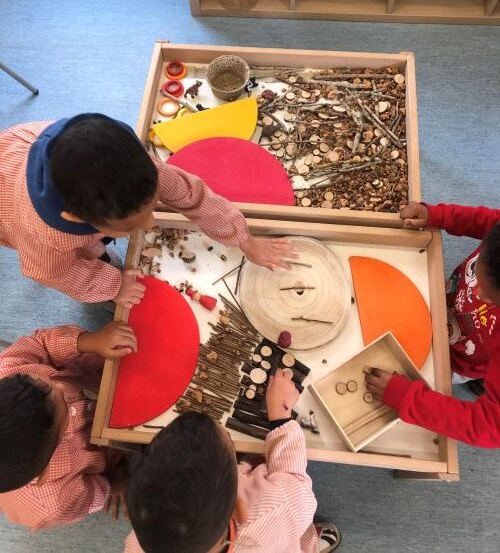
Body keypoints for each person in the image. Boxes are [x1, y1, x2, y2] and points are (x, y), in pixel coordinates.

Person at [0, 114, 295, 308]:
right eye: (130, 225)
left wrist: (243, 238)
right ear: (78, 218)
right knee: (82, 257)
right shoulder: (45, 237)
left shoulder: (138, 167)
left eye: (152, 208)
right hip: (9, 202)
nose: (151, 224)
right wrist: (114, 285)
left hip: (35, 148)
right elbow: (52, 272)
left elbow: (191, 195)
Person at [125, 370, 341, 552]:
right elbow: (296, 484)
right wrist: (281, 417)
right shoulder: (277, 507)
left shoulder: (139, 543)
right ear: (239, 509)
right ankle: (312, 544)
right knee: (296, 531)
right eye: (227, 438)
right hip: (280, 534)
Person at [365, 201, 500, 447]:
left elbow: (489, 427)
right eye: (478, 278)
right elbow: (490, 221)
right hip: (446, 307)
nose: (478, 292)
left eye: (491, 297)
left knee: (443, 374)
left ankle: (479, 379)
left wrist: (407, 399)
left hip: (461, 361)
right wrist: (442, 215)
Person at [0, 321, 137, 528]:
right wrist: (114, 485)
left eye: (41, 381)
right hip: (111, 447)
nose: (61, 387)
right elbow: (93, 494)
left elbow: (41, 343)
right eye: (62, 404)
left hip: (90, 373)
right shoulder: (55, 503)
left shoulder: (7, 369)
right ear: (44, 474)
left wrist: (93, 341)